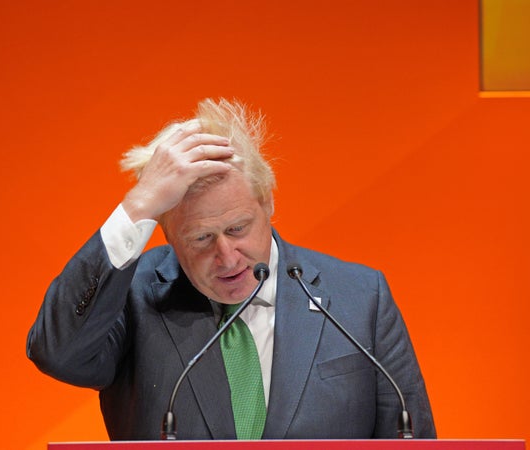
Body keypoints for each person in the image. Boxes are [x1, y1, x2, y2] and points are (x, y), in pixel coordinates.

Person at [26, 98, 436, 440]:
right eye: (200, 239)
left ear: (268, 204)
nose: (227, 257)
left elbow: (411, 437)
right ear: (166, 233)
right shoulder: (135, 297)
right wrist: (138, 205)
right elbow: (58, 354)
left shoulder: (360, 298)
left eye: (238, 228)